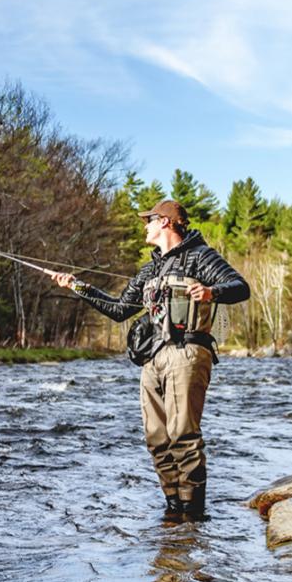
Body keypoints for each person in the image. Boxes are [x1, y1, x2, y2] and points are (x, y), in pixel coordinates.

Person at [51, 199, 248, 521]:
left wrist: (212, 292)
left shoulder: (201, 256)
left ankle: (193, 514)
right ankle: (173, 512)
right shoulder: (150, 268)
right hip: (153, 358)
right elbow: (120, 311)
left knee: (183, 433)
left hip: (188, 352)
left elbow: (241, 288)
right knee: (157, 438)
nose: (145, 225)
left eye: (149, 220)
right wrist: (78, 286)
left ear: (166, 223)